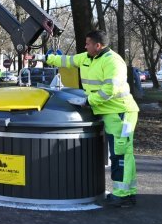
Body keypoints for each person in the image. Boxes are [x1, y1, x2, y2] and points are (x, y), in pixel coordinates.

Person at [35, 30, 140, 207]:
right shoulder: (87, 57)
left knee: (121, 153)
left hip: (121, 113)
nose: (85, 46)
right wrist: (42, 57)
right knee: (122, 153)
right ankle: (127, 193)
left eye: (88, 44)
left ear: (98, 46)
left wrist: (87, 101)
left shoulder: (113, 62)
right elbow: (66, 61)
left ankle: (123, 195)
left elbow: (109, 90)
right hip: (109, 112)